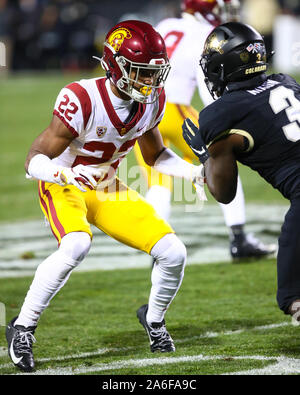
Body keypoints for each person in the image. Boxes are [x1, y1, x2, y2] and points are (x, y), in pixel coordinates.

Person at [5, 20, 206, 372]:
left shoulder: (152, 101)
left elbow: (155, 155)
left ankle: (154, 320)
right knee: (76, 245)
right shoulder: (83, 98)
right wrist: (64, 173)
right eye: (141, 72)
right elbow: (33, 160)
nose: (150, 82)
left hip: (106, 185)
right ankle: (22, 327)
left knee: (174, 252)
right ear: (116, 66)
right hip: (63, 182)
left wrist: (192, 172)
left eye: (154, 73)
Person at [134, 0, 276, 261]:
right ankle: (239, 238)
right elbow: (207, 86)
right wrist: (223, 119)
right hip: (176, 111)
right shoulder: (206, 36)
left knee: (157, 180)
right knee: (223, 163)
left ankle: (156, 246)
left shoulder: (165, 24)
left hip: (144, 109)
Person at [182, 21, 300, 322]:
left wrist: (203, 153)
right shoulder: (285, 82)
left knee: (292, 295)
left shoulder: (220, 114)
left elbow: (223, 192)